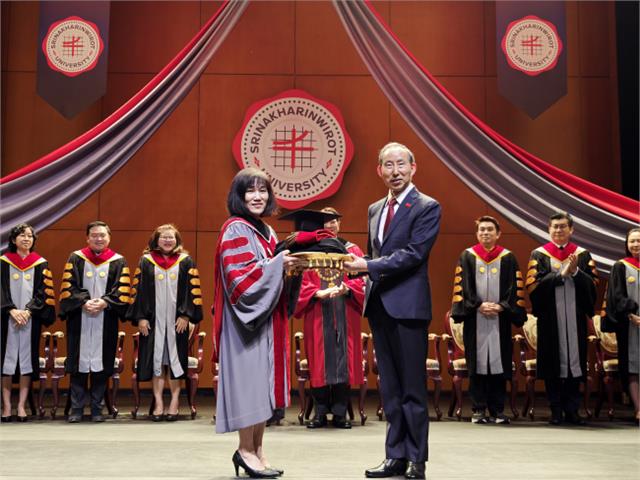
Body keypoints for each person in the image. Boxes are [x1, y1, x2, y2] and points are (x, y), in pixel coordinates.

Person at [344, 142, 441, 480]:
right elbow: (375, 254)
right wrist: (354, 268)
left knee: (412, 388)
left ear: (413, 168)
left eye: (401, 164)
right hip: (380, 306)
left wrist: (366, 266)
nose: (395, 171)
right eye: (388, 165)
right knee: (390, 388)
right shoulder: (375, 208)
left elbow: (414, 254)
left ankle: (416, 459)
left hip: (409, 308)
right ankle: (394, 456)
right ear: (379, 170)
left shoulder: (427, 206)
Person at [213, 168, 302, 479]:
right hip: (245, 323)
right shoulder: (235, 229)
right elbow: (240, 278)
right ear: (239, 196)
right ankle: (244, 449)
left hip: (267, 320)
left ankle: (258, 449)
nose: (257, 196)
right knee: (250, 386)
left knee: (263, 387)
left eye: (263, 191)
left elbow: (270, 270)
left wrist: (292, 268)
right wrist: (278, 264)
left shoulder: (267, 230)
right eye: (250, 191)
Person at [289, 208, 366, 429]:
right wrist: (315, 293)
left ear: (340, 224)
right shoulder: (309, 252)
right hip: (317, 313)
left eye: (334, 221)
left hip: (345, 311)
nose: (331, 225)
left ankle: (340, 413)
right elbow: (298, 282)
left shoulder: (351, 250)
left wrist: (348, 289)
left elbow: (363, 279)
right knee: (319, 361)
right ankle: (320, 412)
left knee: (344, 361)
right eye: (326, 221)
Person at [450, 216, 526, 424]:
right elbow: (464, 287)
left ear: (498, 233)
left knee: (499, 364)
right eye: (482, 229)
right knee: (477, 365)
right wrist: (478, 305)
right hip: (475, 319)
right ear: (477, 234)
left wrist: (502, 306)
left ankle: (497, 410)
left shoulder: (508, 257)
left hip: (500, 320)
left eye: (490, 229)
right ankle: (478, 409)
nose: (485, 233)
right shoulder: (467, 256)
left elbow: (514, 289)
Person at [526, 212, 597, 426]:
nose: (558, 230)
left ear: (571, 229)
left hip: (575, 318)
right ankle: (556, 410)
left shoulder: (582, 255)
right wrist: (560, 275)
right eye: (555, 226)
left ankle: (572, 410)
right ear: (549, 229)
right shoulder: (539, 255)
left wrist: (575, 273)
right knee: (553, 364)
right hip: (550, 319)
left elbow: (593, 286)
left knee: (575, 364)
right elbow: (533, 287)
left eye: (563, 226)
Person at [127, 224, 203, 421]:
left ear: (177, 240)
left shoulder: (186, 261)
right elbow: (139, 291)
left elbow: (192, 291)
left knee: (175, 363)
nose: (168, 240)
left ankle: (175, 402)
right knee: (158, 362)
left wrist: (186, 315)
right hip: (153, 322)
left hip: (178, 322)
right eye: (164, 237)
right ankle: (159, 403)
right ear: (156, 240)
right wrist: (141, 317)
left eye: (171, 237)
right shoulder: (146, 261)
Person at [59, 221, 130, 423]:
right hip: (79, 319)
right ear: (87, 238)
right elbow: (68, 287)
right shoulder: (76, 258)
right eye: (94, 235)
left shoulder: (119, 261)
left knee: (102, 364)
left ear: (109, 238)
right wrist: (83, 302)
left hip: (106, 319)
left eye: (102, 235)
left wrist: (106, 302)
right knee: (78, 364)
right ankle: (76, 408)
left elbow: (122, 290)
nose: (99, 239)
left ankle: (97, 408)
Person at [1, 223, 56, 422]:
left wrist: (28, 311)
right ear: (13, 239)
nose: (26, 239)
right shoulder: (3, 262)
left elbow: (43, 293)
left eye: (30, 236)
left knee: (26, 362)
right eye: (22, 235)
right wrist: (11, 309)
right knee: (5, 362)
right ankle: (7, 406)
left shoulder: (40, 264)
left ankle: (21, 406)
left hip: (30, 320)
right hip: (5, 319)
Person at [602, 227, 640, 424]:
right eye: (632, 241)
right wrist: (631, 314)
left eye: (639, 240)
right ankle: (638, 409)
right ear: (626, 244)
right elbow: (616, 296)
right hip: (629, 325)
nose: (636, 244)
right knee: (632, 366)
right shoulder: (620, 266)